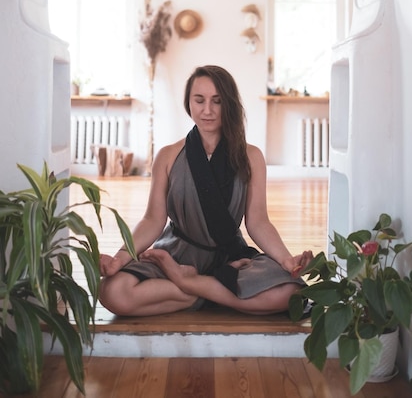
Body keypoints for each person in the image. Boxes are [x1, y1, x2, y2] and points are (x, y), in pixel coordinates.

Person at [99, 65, 313, 316]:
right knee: (112, 292)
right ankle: (214, 292)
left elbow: (258, 222)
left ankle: (188, 284)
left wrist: (286, 260)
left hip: (230, 257)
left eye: (217, 101)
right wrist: (120, 258)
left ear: (229, 104)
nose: (207, 110)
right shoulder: (168, 156)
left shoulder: (251, 157)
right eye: (199, 100)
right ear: (188, 103)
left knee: (291, 293)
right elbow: (152, 219)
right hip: (174, 254)